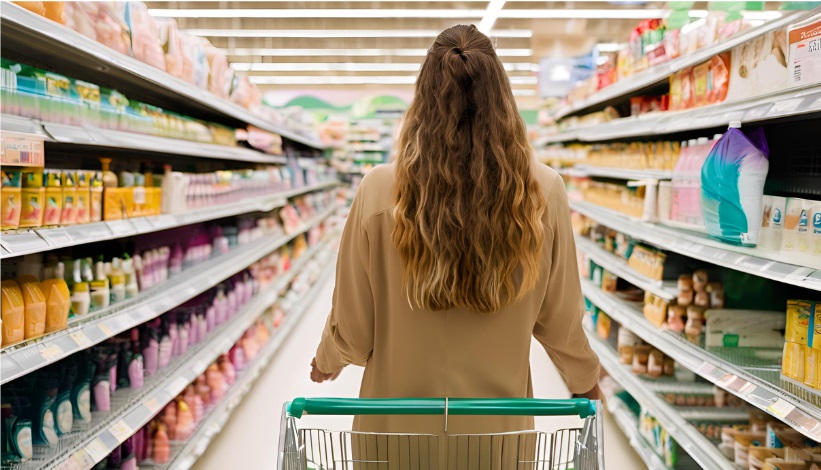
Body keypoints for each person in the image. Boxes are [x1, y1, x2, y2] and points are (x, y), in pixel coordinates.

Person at [310, 24, 601, 439]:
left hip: (395, 440)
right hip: (498, 441)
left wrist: (327, 359)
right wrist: (586, 382)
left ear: (422, 102)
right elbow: (561, 322)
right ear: (503, 101)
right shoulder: (541, 192)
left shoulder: (377, 192)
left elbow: (353, 331)